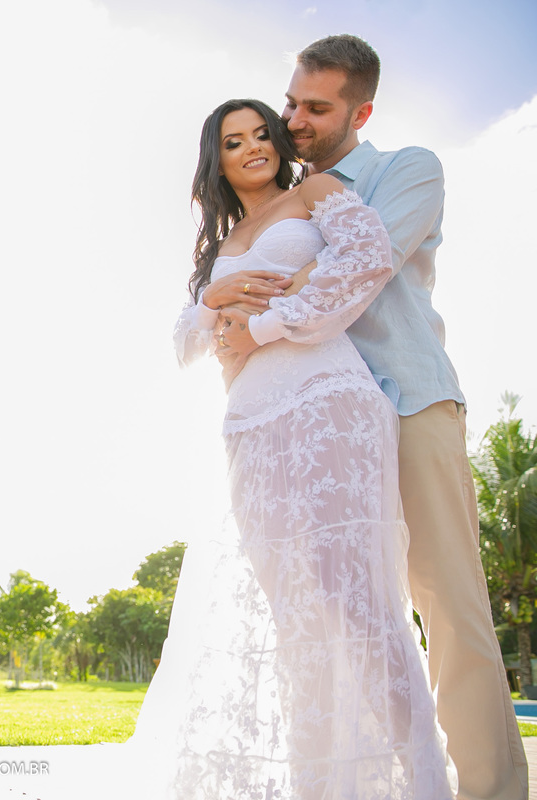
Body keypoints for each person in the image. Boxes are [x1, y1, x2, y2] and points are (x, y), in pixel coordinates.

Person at [215, 35, 527, 800]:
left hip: (410, 401)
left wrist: (243, 302)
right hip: (323, 429)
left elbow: (366, 261)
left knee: (448, 610)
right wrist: (221, 298)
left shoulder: (406, 169)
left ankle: (492, 792)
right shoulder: (288, 199)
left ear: (362, 110)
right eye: (290, 101)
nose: (295, 119)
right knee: (333, 622)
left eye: (316, 108)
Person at [132, 97, 456, 798]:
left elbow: (367, 261)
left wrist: (263, 327)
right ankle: (319, 785)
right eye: (232, 141)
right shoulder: (221, 245)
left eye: (259, 134)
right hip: (249, 426)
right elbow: (185, 343)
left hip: (327, 406)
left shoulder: (316, 190)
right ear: (215, 160)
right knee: (293, 617)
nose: (252, 148)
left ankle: (421, 781)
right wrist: (219, 296)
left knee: (357, 602)